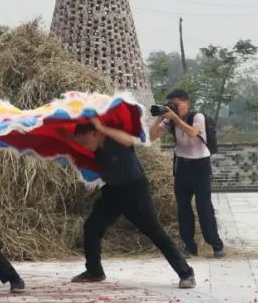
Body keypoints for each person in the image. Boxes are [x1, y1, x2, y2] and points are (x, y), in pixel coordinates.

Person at [71, 117, 195, 289]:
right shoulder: (97, 150)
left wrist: (102, 127)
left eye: (84, 141)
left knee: (155, 232)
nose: (84, 146)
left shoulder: (117, 140)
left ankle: (186, 273)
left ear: (94, 133)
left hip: (135, 191)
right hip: (112, 192)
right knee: (92, 226)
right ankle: (94, 271)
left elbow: (131, 140)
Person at [148, 89, 225, 259]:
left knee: (204, 206)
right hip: (182, 166)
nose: (174, 107)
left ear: (187, 103)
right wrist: (160, 118)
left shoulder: (197, 117)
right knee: (183, 207)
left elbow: (192, 133)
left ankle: (216, 245)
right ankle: (188, 246)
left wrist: (175, 118)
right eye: (171, 104)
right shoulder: (170, 121)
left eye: (176, 104)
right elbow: (151, 137)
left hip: (200, 166)